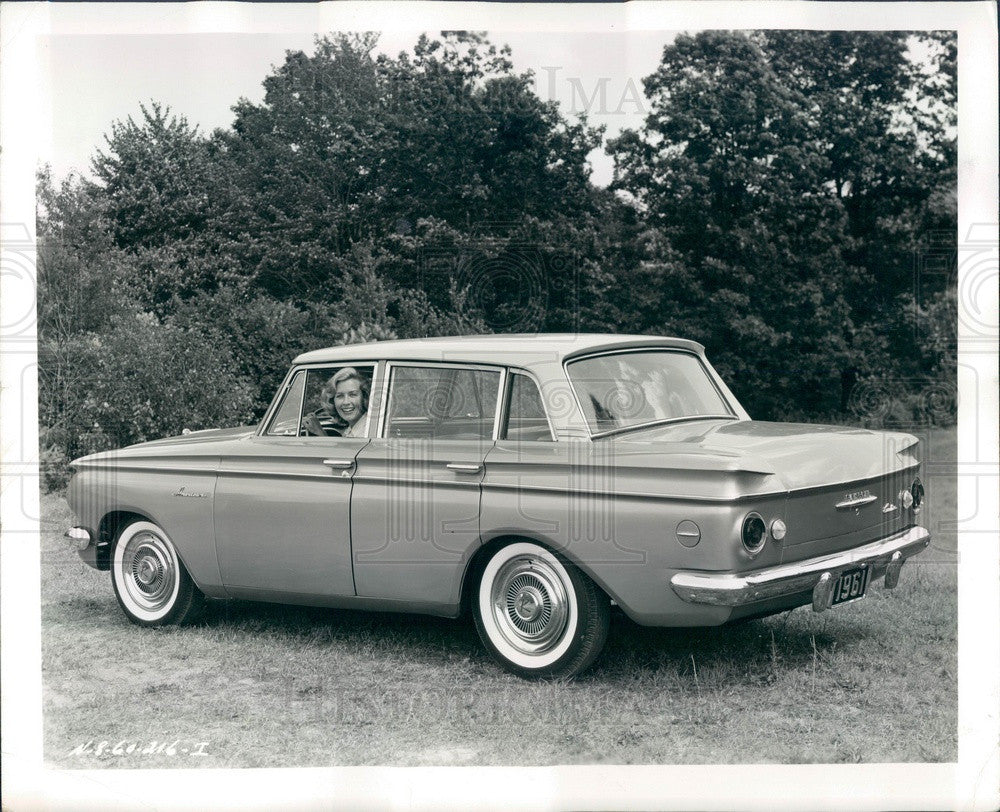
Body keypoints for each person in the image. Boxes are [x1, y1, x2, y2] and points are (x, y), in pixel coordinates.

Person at [302, 367, 370, 437]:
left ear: (364, 397)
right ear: (332, 400)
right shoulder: (352, 429)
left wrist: (319, 432)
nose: (346, 402)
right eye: (340, 396)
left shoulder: (368, 431)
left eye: (352, 395)